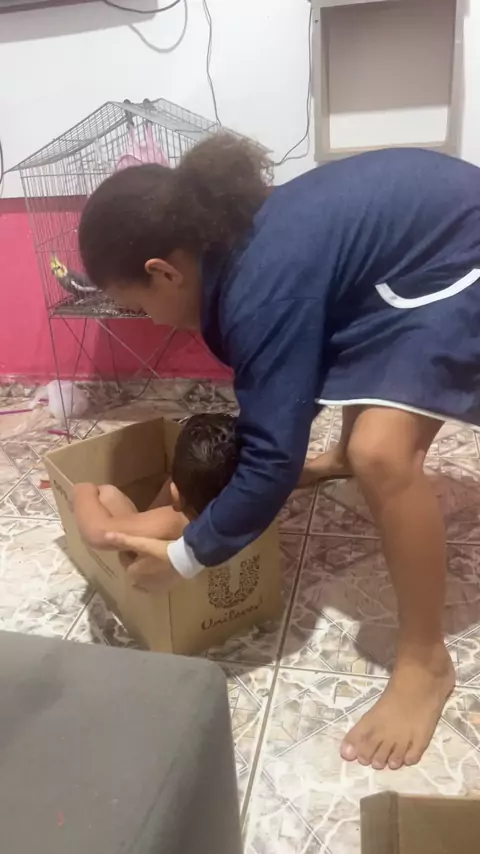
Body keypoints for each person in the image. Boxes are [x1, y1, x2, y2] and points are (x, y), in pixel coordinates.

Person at [78, 133, 480, 772]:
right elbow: (285, 395)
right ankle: (341, 458)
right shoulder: (234, 246)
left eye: (138, 305)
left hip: (460, 251)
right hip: (417, 242)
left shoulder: (261, 288)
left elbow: (272, 457)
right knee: (349, 363)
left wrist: (187, 556)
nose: (148, 320)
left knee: (383, 454)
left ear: (164, 271)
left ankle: (426, 663)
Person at [74, 413, 239, 582]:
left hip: (154, 577)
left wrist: (82, 490)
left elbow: (98, 533)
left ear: (176, 495)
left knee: (107, 495)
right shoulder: (244, 512)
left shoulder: (176, 520)